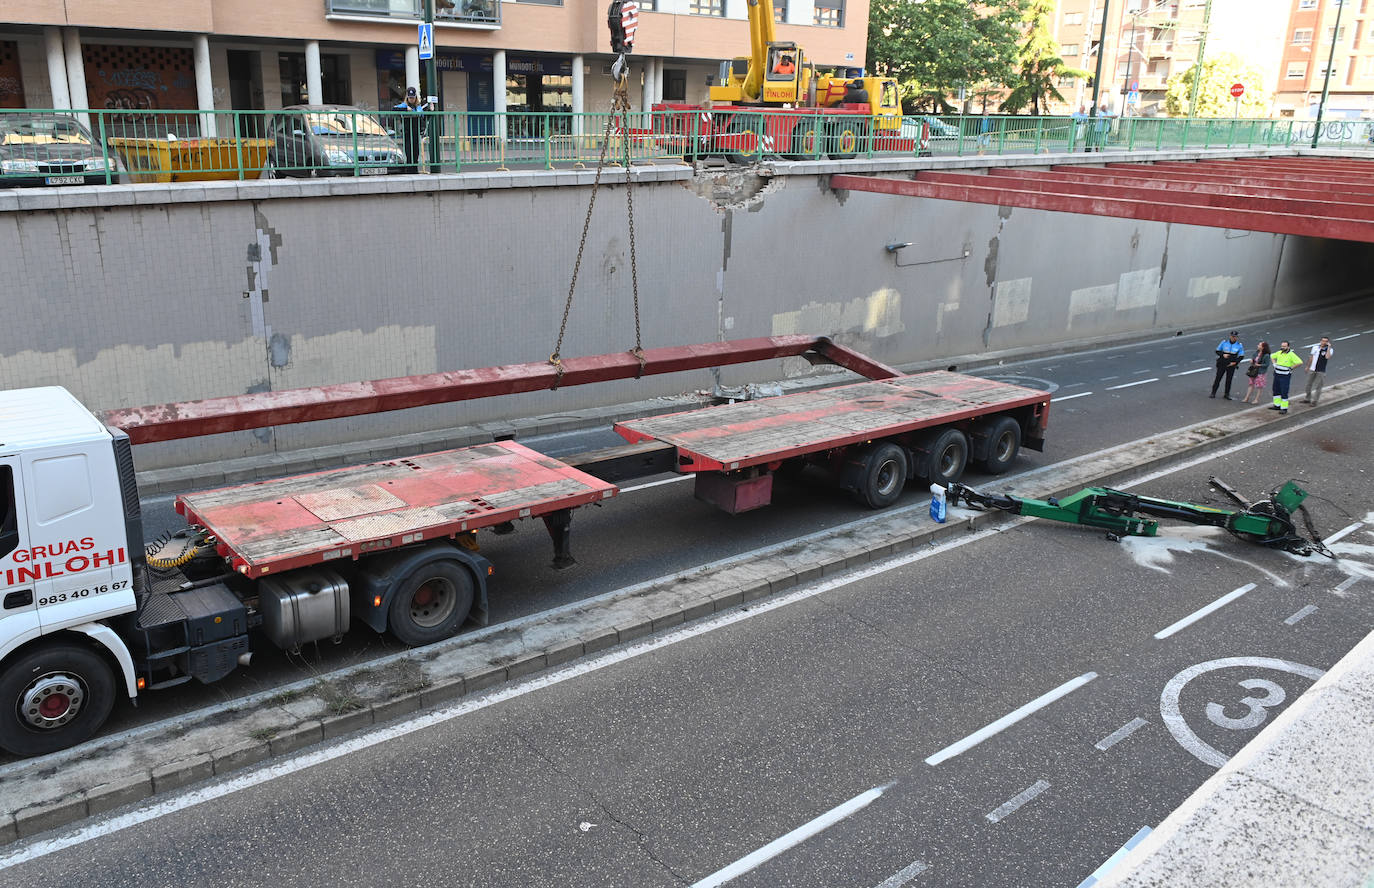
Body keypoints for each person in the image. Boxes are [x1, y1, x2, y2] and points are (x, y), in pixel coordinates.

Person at [392, 86, 426, 174]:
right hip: (407, 131)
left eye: (413, 97)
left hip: (415, 131)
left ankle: (414, 169)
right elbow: (393, 109)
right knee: (408, 150)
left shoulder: (418, 107)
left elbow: (422, 114)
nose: (411, 99)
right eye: (410, 97)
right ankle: (409, 169)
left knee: (416, 151)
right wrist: (405, 109)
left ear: (415, 97)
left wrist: (430, 109)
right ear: (407, 97)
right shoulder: (404, 105)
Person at [1269, 340, 1305, 414]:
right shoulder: (1279, 353)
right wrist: (1274, 364)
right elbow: (1272, 356)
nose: (1283, 347)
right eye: (1282, 346)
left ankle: (1284, 408)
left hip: (1285, 376)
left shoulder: (1291, 354)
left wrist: (1291, 368)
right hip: (1277, 374)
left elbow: (1300, 362)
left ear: (1288, 347)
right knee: (1276, 390)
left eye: (1284, 346)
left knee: (1284, 391)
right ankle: (1277, 405)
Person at [1210, 330, 1244, 400]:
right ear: (1230, 336)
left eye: (1235, 337)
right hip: (1222, 363)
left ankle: (1226, 394)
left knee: (1229, 380)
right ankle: (1213, 392)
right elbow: (1217, 351)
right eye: (1232, 336)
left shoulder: (1239, 345)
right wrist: (1223, 354)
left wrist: (1235, 363)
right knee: (1218, 378)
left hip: (1231, 364)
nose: (1233, 338)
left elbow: (1241, 356)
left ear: (1237, 337)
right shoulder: (1224, 342)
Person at [1304, 336, 1334, 405]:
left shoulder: (1330, 350)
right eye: (1323, 341)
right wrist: (1307, 366)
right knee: (1308, 384)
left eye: (1326, 341)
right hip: (1312, 369)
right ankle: (1307, 398)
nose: (1324, 342)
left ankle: (1315, 401)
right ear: (1320, 341)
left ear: (1328, 342)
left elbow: (1327, 357)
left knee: (1318, 386)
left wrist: (1328, 348)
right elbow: (1311, 357)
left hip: (1321, 370)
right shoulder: (1315, 347)